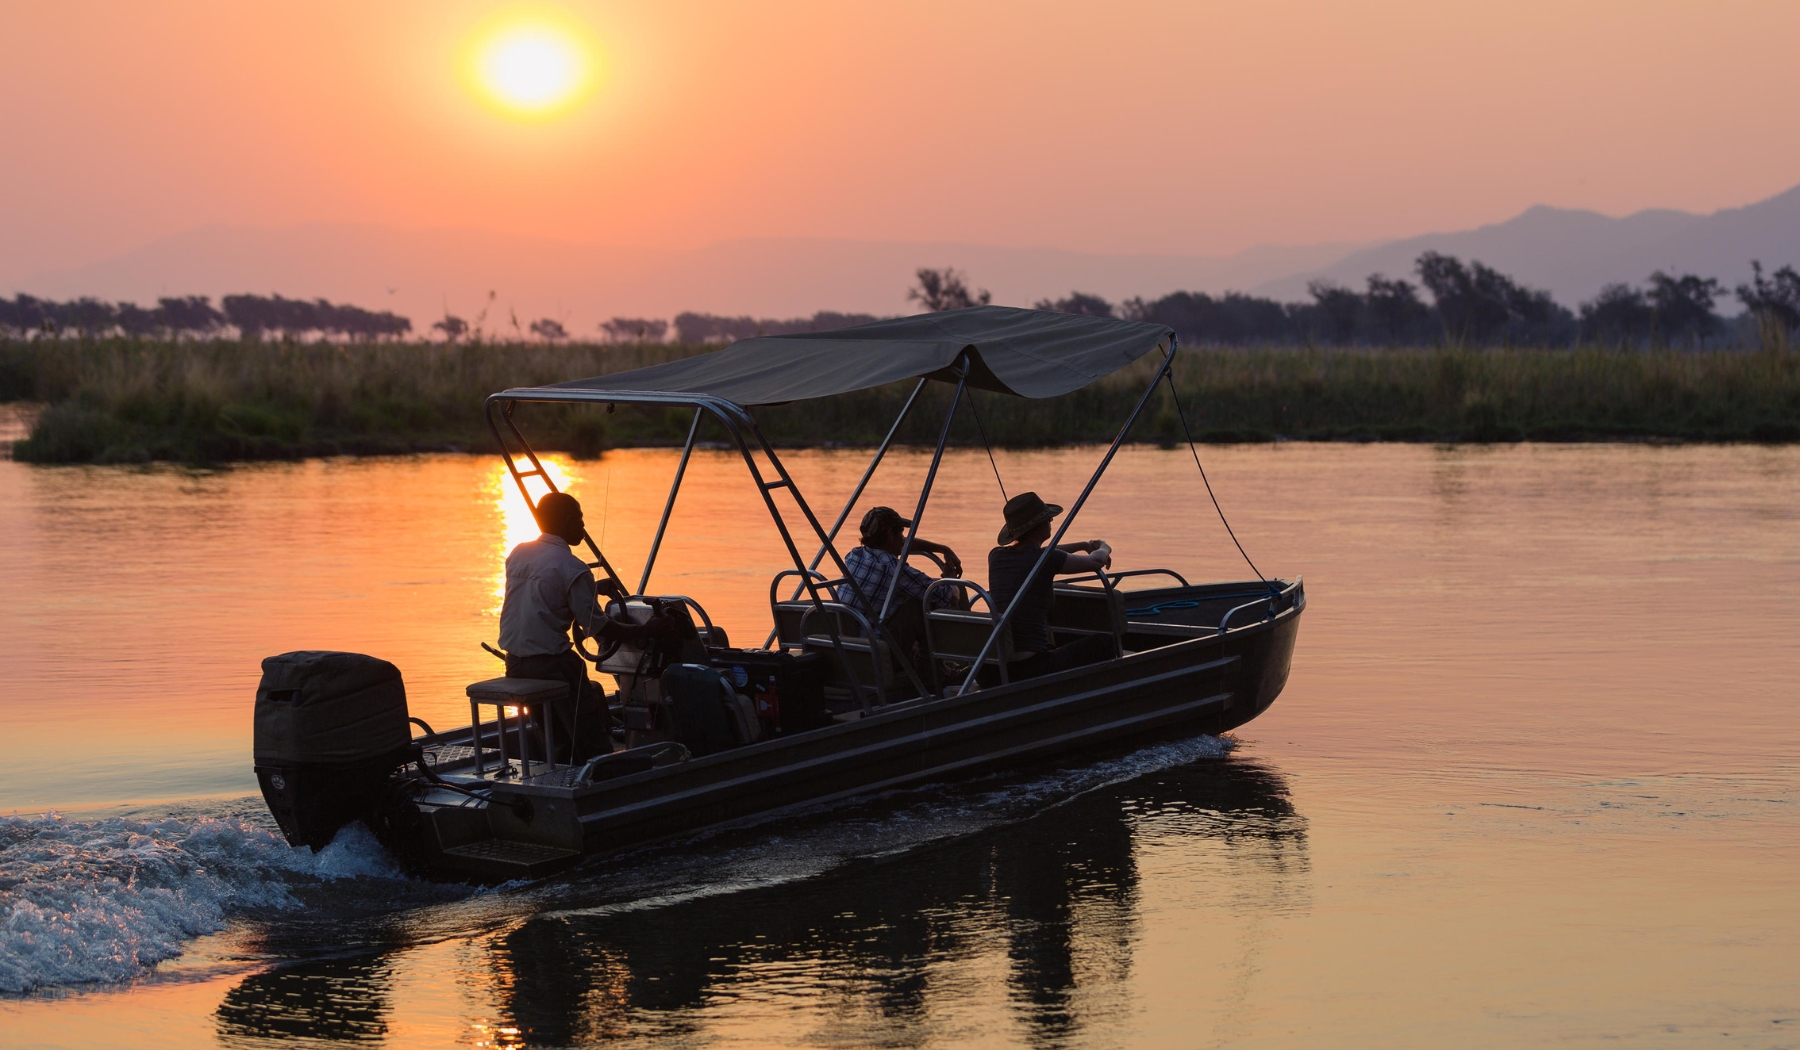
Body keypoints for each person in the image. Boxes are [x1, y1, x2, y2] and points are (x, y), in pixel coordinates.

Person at [498, 491, 672, 761]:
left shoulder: (518, 554)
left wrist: (588, 589)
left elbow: (543, 596)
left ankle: (562, 766)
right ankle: (604, 772)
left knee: (554, 733)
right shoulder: (573, 567)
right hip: (552, 665)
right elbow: (599, 629)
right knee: (588, 733)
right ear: (567, 520)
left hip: (515, 663)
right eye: (579, 519)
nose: (583, 526)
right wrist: (648, 630)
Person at [986, 491, 1116, 681]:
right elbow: (1096, 562)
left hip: (992, 671)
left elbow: (1041, 553)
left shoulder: (996, 556)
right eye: (1048, 520)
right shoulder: (1044, 560)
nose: (1051, 523)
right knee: (1106, 642)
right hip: (1028, 669)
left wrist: (1082, 544)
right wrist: (1103, 546)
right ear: (1039, 526)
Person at [841, 505, 967, 671]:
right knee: (924, 601)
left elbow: (903, 545)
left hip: (852, 647)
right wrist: (950, 578)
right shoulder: (893, 569)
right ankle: (936, 670)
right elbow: (949, 596)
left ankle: (930, 662)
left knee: (910, 599)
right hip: (877, 655)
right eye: (900, 533)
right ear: (890, 535)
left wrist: (942, 549)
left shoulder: (854, 556)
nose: (903, 538)